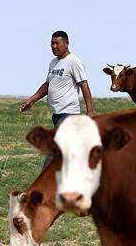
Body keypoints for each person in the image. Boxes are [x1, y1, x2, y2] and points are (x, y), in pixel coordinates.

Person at [20, 31, 95, 165]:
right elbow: (48, 84)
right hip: (56, 114)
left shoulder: (73, 62)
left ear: (66, 43)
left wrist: (90, 110)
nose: (54, 46)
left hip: (69, 114)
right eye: (52, 43)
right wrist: (31, 100)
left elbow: (84, 85)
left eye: (57, 43)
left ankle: (43, 182)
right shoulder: (53, 63)